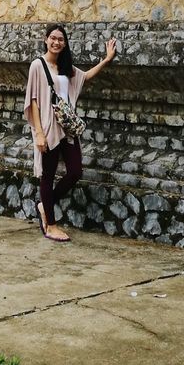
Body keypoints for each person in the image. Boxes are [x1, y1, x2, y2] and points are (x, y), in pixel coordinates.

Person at [24, 24, 117, 242]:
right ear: (46, 39)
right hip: (47, 127)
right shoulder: (38, 65)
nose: (56, 42)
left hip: (67, 128)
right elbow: (34, 101)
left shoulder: (66, 67)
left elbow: (86, 77)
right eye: (53, 38)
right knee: (47, 176)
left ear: (65, 43)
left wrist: (107, 59)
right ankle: (51, 225)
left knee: (75, 171)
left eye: (61, 40)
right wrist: (38, 133)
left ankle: (44, 205)